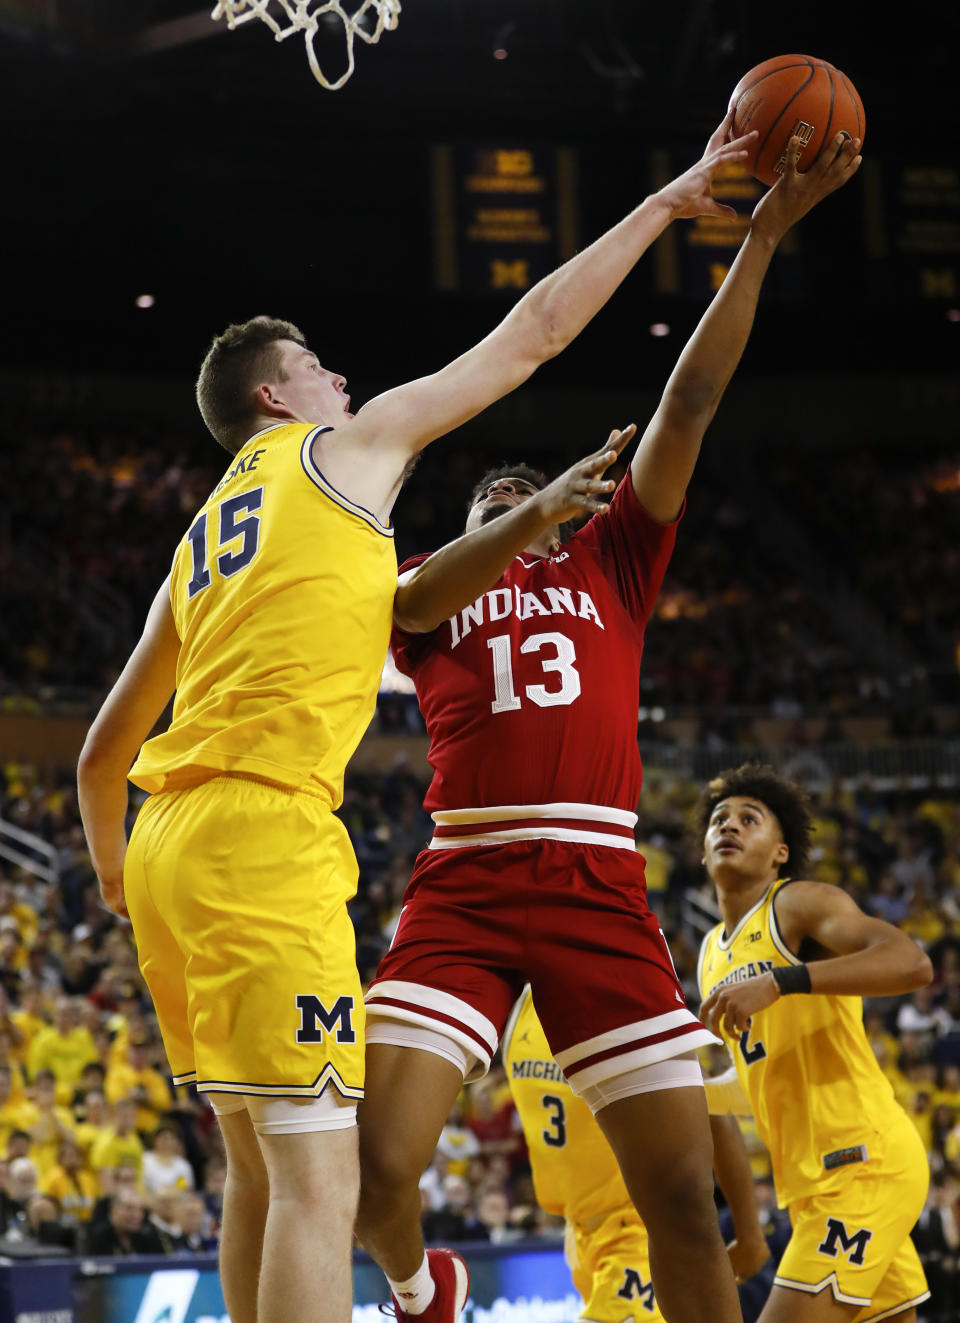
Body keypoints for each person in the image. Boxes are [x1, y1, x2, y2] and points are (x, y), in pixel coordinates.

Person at [77, 109, 759, 1323]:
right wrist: (662, 206)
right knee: (320, 1175)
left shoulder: (205, 543)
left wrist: (120, 880)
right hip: (330, 846)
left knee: (258, 1163)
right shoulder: (355, 479)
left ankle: (416, 1286)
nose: (346, 380)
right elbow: (531, 334)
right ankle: (406, 1287)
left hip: (185, 838)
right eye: (325, 368)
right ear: (281, 394)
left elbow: (99, 754)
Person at [355, 131, 863, 1323]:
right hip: (464, 881)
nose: (504, 506)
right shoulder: (429, 589)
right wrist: (511, 517)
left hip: (595, 878)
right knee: (378, 1168)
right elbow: (410, 601)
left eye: (520, 500)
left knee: (683, 1201)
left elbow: (688, 399)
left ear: (559, 519)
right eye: (487, 501)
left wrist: (763, 237)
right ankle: (421, 1286)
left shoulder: (613, 561)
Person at [696, 763, 934, 1322]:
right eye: (718, 820)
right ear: (703, 852)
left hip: (860, 1165)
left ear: (780, 852)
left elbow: (912, 963)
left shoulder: (795, 904)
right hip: (809, 1187)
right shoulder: (710, 953)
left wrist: (781, 980)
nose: (729, 826)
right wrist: (696, 1092)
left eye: (749, 819)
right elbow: (758, 1077)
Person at [502, 985, 771, 1322]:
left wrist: (750, 1236)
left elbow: (712, 1110)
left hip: (638, 1234)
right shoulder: (522, 1001)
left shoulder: (622, 993)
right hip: (581, 1236)